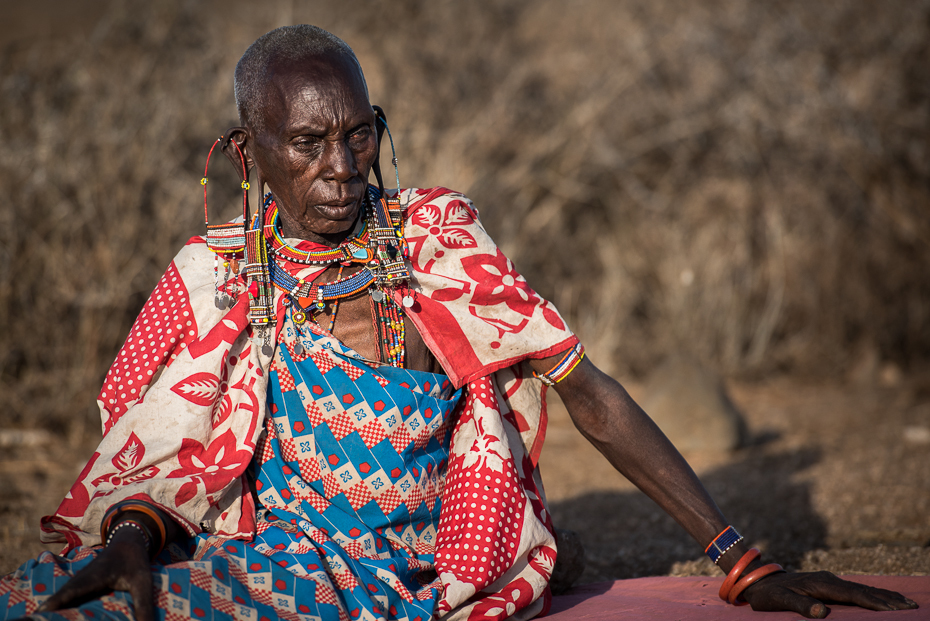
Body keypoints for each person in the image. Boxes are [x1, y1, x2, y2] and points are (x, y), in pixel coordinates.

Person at [0, 24, 918, 621]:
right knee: (55, 598)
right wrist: (130, 544)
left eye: (358, 133)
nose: (341, 168)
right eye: (307, 142)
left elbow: (586, 391)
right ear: (249, 151)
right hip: (268, 547)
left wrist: (741, 560)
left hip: (425, 564)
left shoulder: (439, 238)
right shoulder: (217, 274)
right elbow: (166, 454)